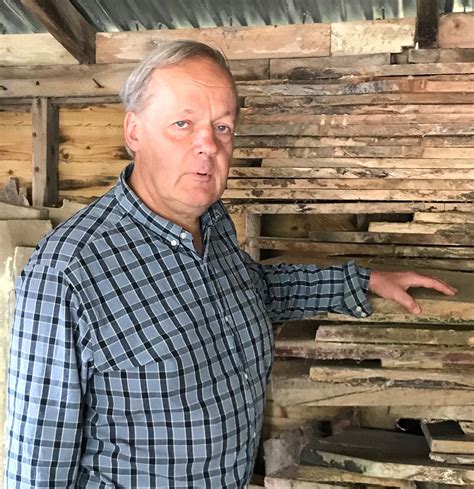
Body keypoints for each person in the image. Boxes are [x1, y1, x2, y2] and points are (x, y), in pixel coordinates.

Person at [6, 40, 457, 488]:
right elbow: (36, 467)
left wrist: (363, 280)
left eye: (222, 127)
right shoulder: (68, 273)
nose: (207, 145)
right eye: (182, 124)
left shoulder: (213, 225)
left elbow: (254, 290)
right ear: (134, 132)